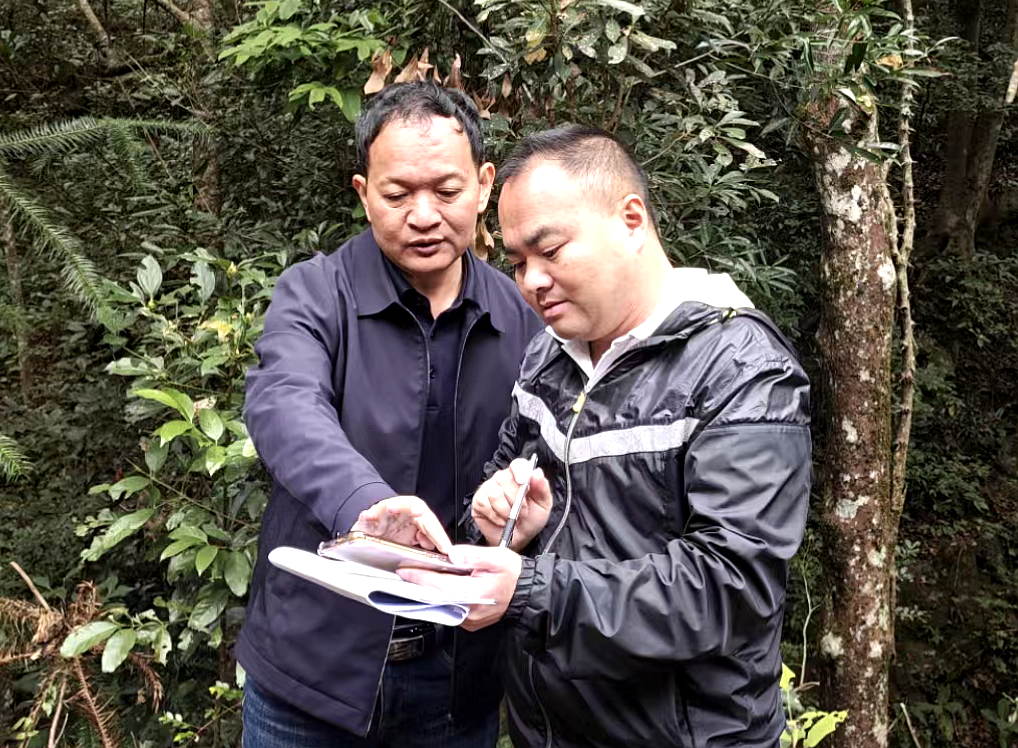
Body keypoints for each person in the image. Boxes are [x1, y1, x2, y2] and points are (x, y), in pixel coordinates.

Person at [396, 125, 813, 748]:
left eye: (550, 251)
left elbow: (731, 587)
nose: (532, 281)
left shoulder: (741, 370)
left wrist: (530, 592)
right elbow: (502, 497)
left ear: (631, 220)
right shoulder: (547, 357)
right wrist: (496, 524)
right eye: (518, 263)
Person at [236, 82, 541, 748]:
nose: (423, 215)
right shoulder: (317, 293)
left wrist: (519, 511)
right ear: (363, 193)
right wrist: (365, 502)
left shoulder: (522, 316)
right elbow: (284, 401)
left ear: (484, 185)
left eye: (447, 190)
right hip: (310, 674)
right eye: (398, 194)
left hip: (456, 679)